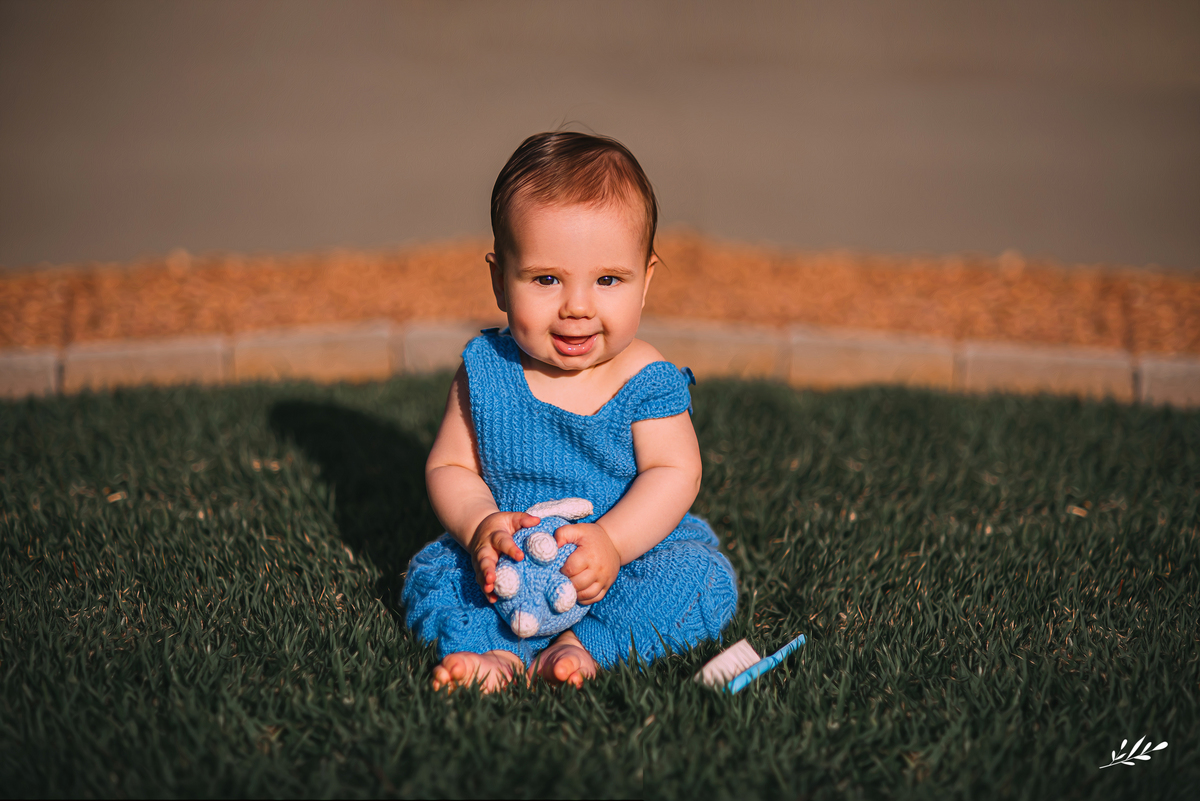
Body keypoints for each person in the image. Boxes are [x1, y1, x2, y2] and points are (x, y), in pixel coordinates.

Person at [402, 131, 737, 692]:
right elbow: (450, 468)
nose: (577, 307)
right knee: (433, 575)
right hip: (506, 570)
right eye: (546, 279)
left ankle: (580, 647)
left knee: (700, 576)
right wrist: (481, 526)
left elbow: (675, 472)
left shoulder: (645, 377)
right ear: (499, 280)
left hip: (620, 562)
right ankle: (492, 656)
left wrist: (611, 541)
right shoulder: (487, 369)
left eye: (608, 280)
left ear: (646, 279)